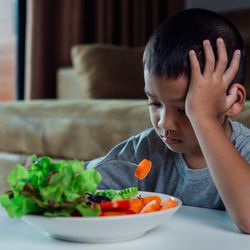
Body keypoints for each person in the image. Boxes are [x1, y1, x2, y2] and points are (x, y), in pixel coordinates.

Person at [86, 8, 250, 233]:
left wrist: (202, 117)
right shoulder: (145, 150)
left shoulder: (246, 150)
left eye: (184, 110)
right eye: (155, 103)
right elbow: (84, 185)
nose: (165, 123)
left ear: (234, 101)